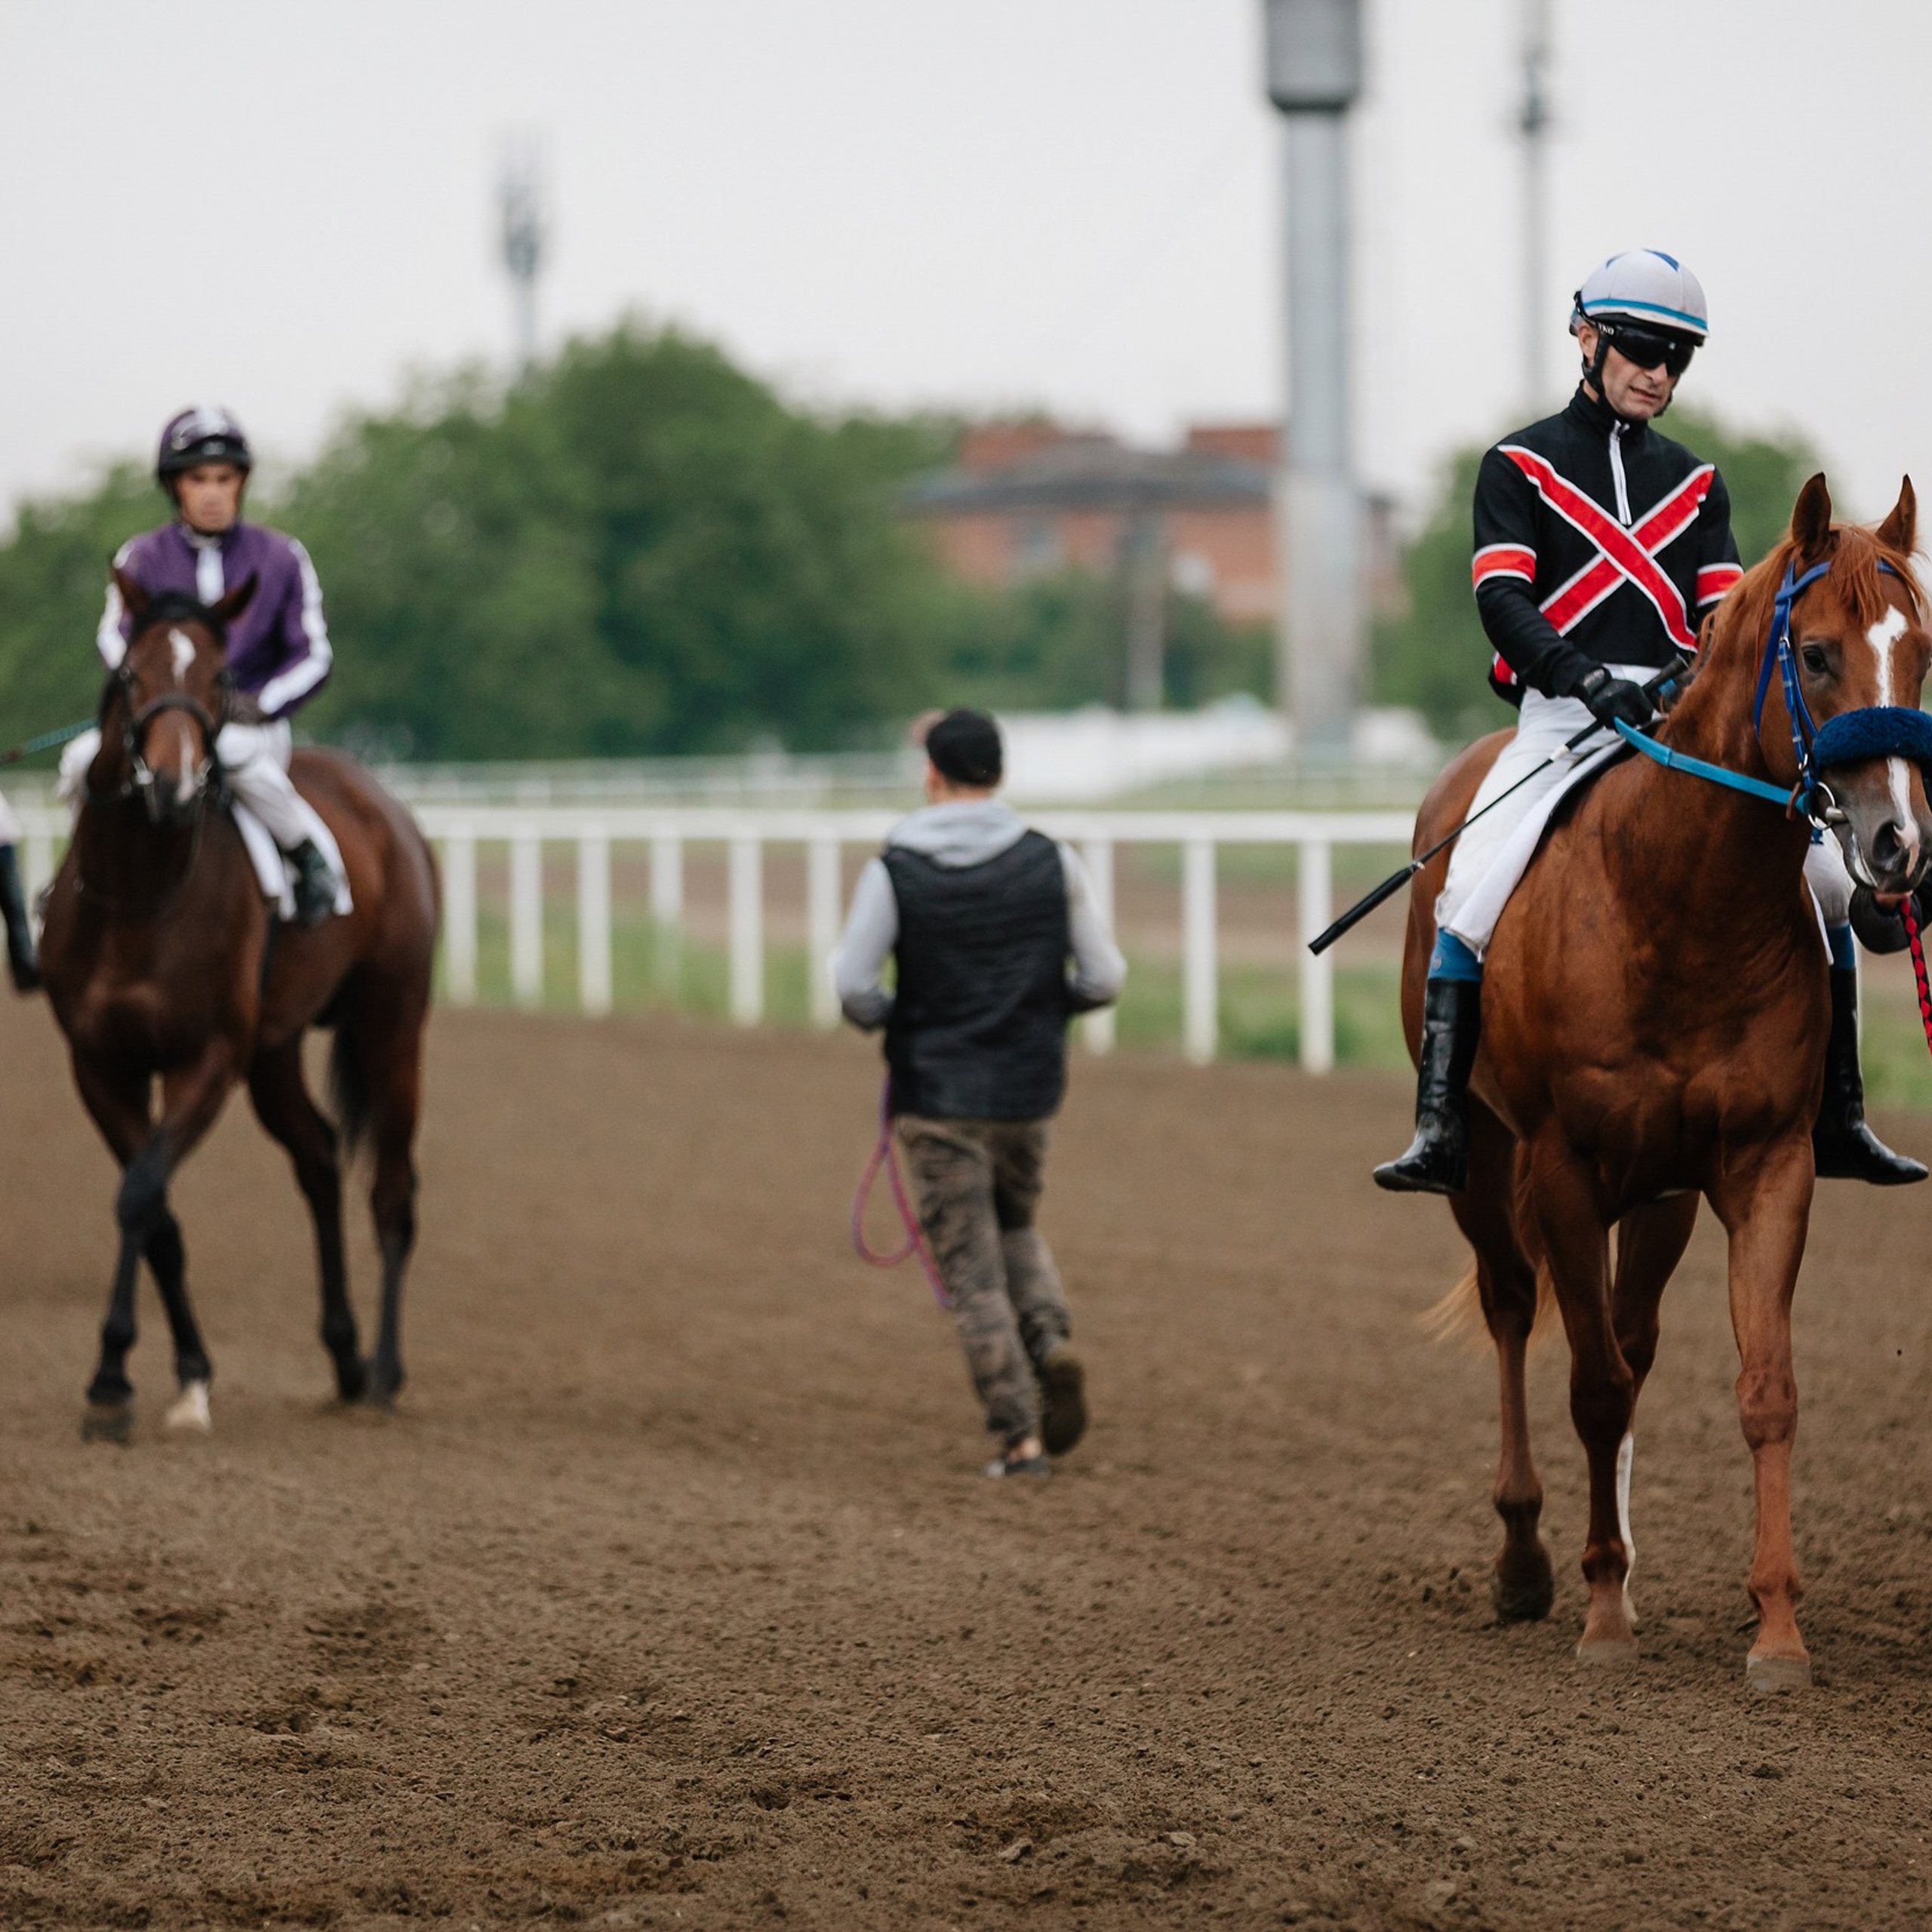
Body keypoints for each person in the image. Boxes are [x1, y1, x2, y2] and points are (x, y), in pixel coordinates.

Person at [1376, 249, 1920, 1195]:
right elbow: (1503, 601)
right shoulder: (1519, 465)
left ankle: (1840, 1114)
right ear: (1585, 338)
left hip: (1677, 715)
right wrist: (1584, 676)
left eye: (1674, 356)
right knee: (1469, 887)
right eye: (1638, 348)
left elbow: (1726, 618)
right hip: (1557, 715)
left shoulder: (1696, 482)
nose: (1655, 371)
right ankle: (1442, 1126)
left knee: (1830, 884)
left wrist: (1685, 677)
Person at [832, 709, 1127, 1477]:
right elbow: (1103, 977)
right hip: (1028, 1089)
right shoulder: (1050, 861)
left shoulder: (893, 868)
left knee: (970, 1267)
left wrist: (901, 1019)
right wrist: (1041, 1009)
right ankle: (1052, 1340)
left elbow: (852, 985)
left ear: (932, 774)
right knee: (1017, 1224)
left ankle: (1018, 1437)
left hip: (936, 1094)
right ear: (998, 773)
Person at [59, 405, 345, 926]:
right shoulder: (140, 558)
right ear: (175, 486)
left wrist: (261, 704)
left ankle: (309, 855)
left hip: (250, 725)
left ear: (241, 483)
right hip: (159, 721)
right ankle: (73, 882)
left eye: (224, 478)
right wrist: (157, 697)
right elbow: (113, 638)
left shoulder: (282, 556)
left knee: (233, 752)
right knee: (81, 761)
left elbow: (315, 655)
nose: (212, 492)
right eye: (198, 479)